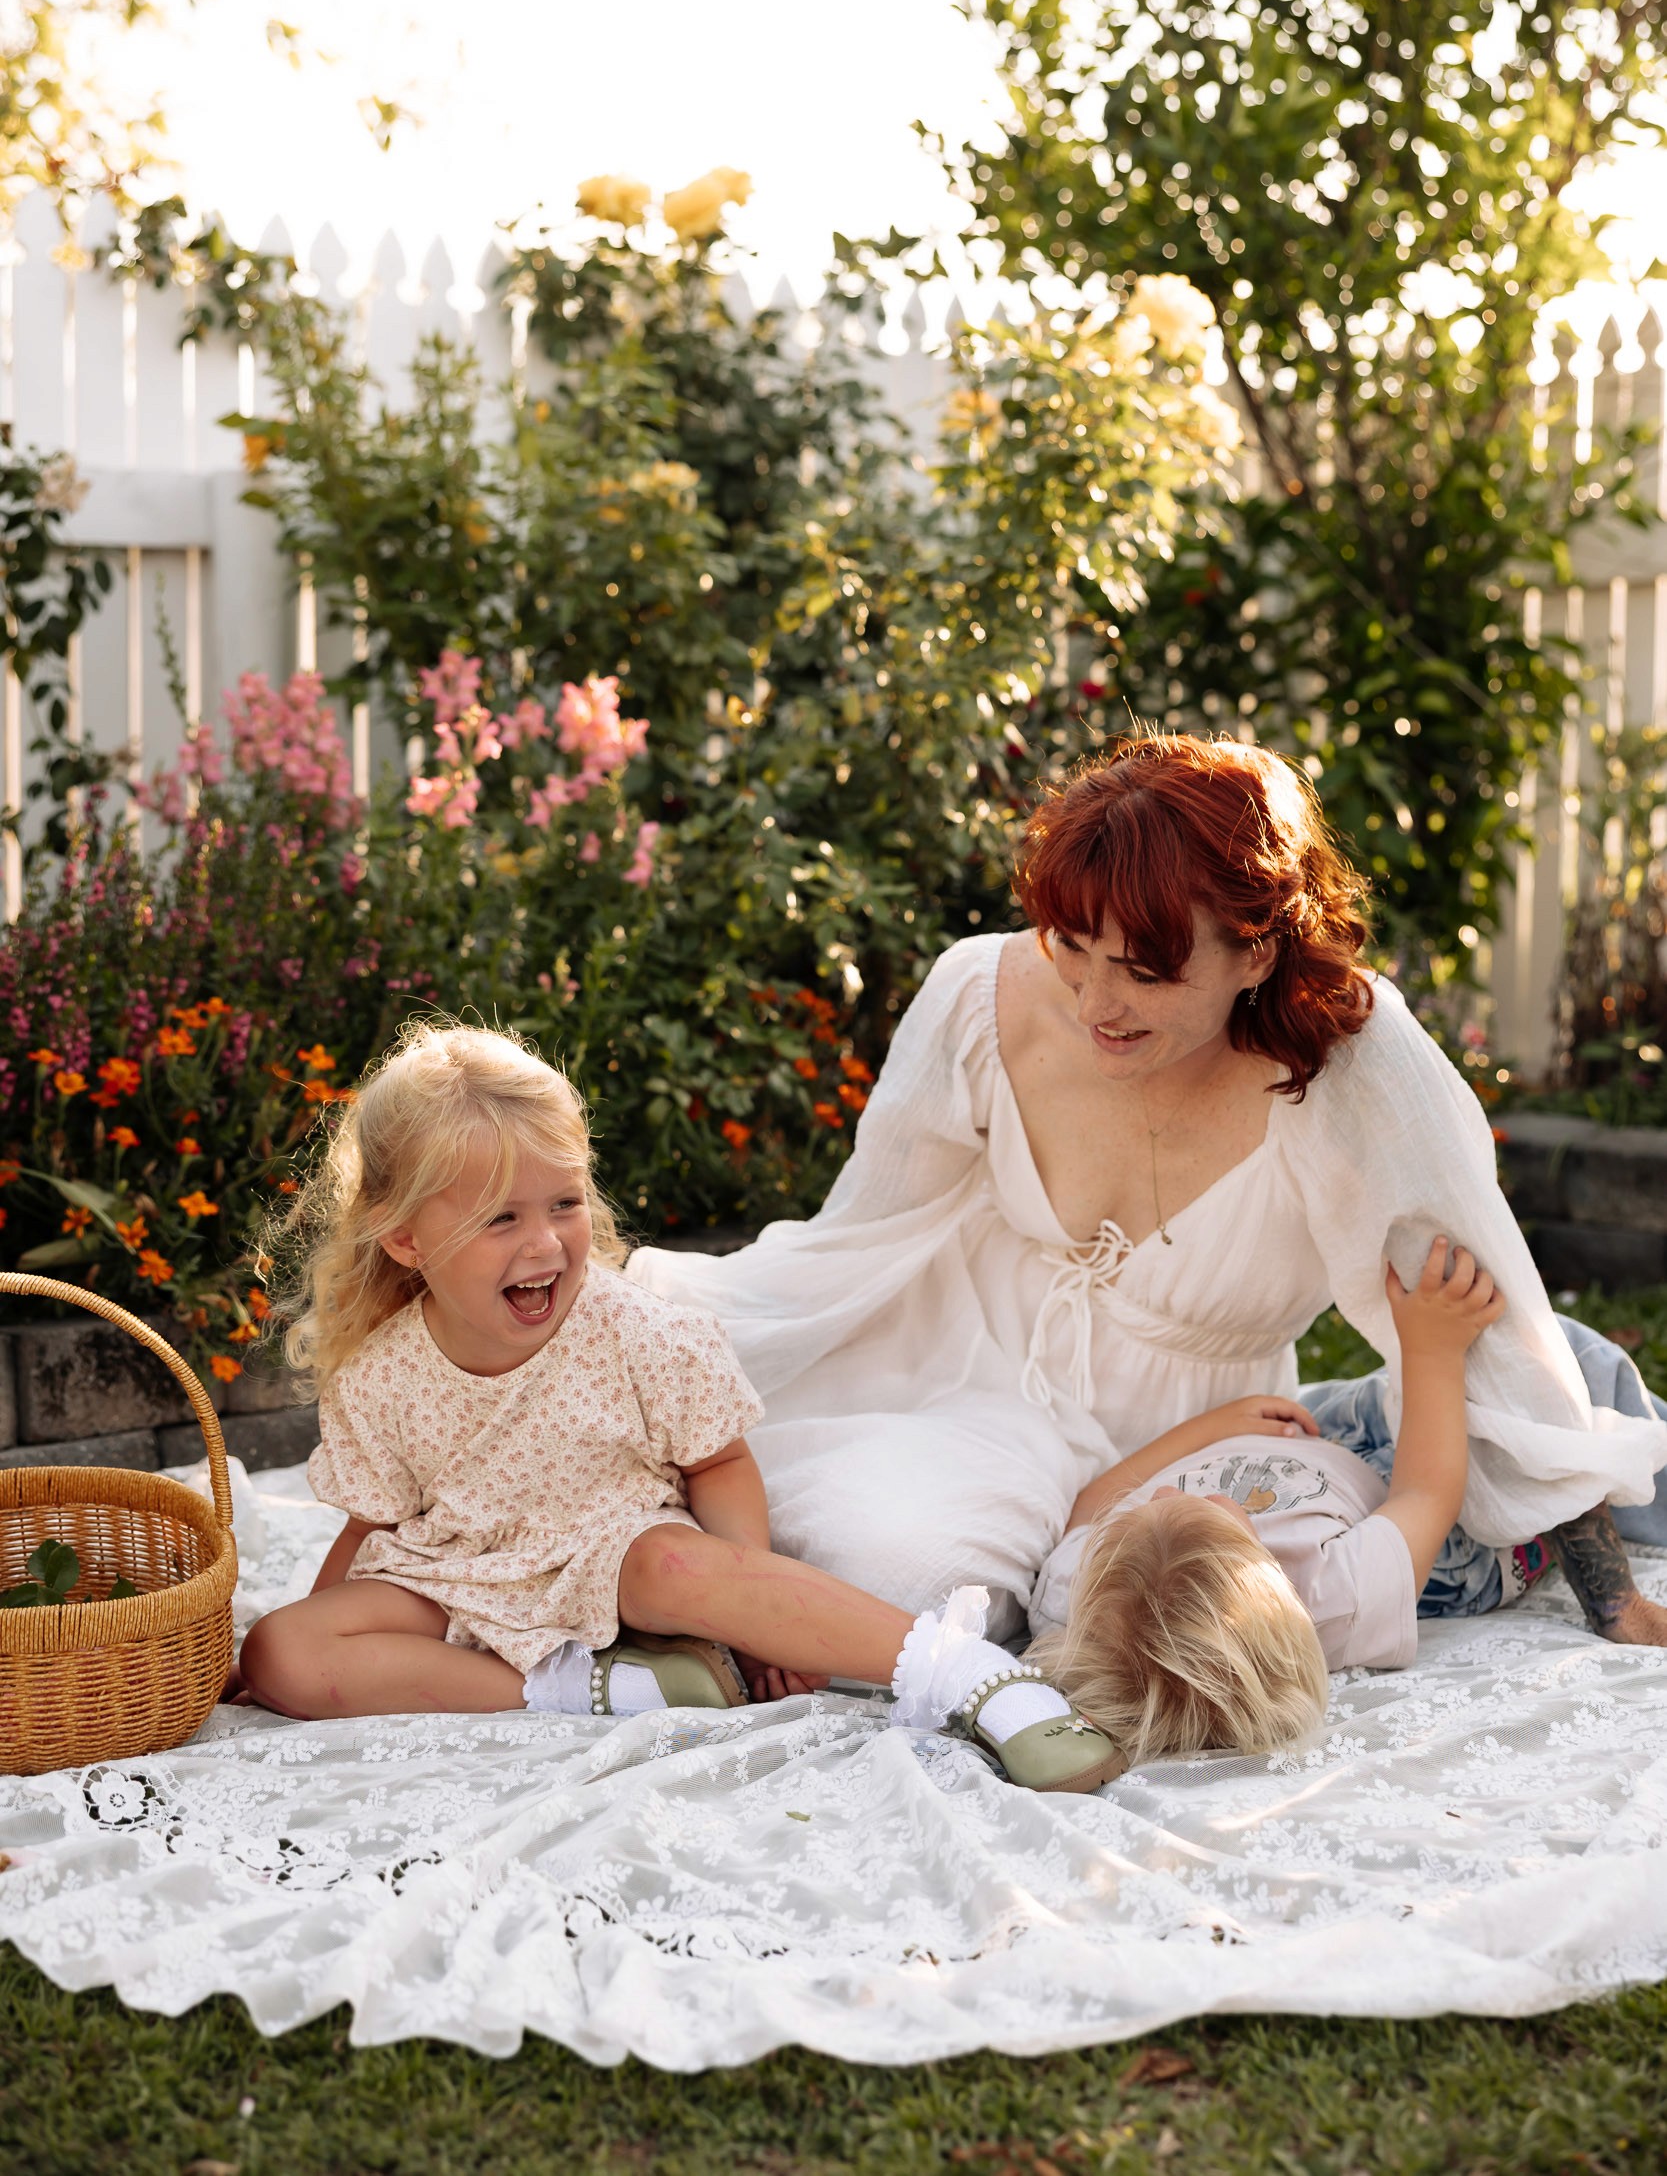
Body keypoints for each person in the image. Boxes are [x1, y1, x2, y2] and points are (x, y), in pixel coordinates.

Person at [630, 733, 1667, 1647]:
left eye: (1142, 971)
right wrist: (644, 1332)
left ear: (1255, 948)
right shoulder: (977, 997)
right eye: (1071, 949)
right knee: (847, 1550)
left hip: (1181, 1447)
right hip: (957, 1387)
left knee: (930, 1588)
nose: (1092, 1004)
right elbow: (853, 1239)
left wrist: (1610, 1599)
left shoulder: (1351, 1065)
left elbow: (1491, 1317)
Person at [237, 1021, 1123, 1796]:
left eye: (565, 1203)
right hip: (461, 1580)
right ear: (405, 1239)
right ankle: (596, 1691)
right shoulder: (381, 1376)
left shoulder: (632, 1331)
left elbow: (718, 1463)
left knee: (676, 1567)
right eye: (500, 1220)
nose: (546, 1242)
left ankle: (967, 1675)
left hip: (615, 1559)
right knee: (278, 1649)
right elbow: (371, 1529)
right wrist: (322, 1630)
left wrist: (749, 1617)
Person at [1024, 1235, 1507, 1764]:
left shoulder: (1074, 1597)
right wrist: (1431, 1349)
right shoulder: (1336, 1597)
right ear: (1259, 1564)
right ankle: (1550, 1538)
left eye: (1144, 1508)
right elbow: (1426, 1493)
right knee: (1522, 1414)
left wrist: (1212, 1427)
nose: (1163, 1487)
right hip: (1401, 1497)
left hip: (1310, 1435)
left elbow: (1091, 1504)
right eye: (1197, 1504)